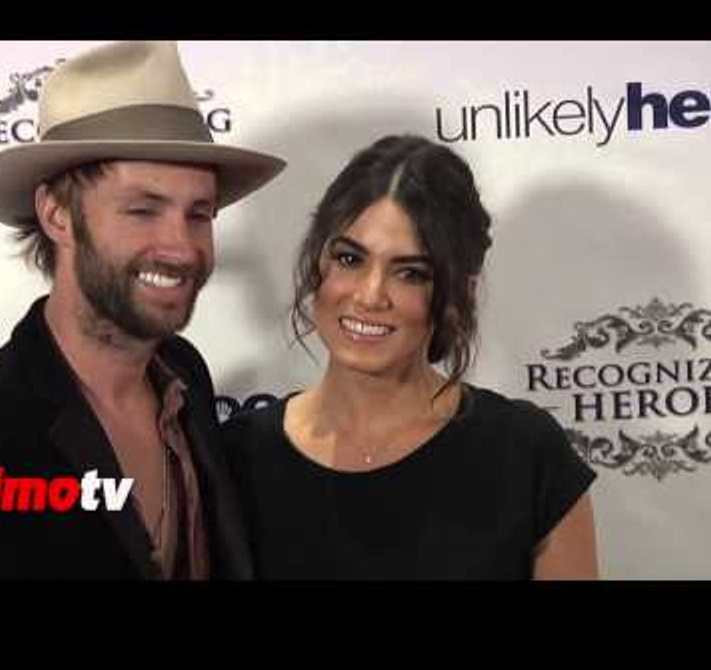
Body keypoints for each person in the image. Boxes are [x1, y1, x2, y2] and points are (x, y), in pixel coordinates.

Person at [0, 41, 285, 579]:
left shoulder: (185, 374)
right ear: (57, 214)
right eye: (143, 209)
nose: (182, 247)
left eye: (198, 214)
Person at [221, 134, 598, 580]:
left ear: (461, 292)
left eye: (410, 273)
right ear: (316, 261)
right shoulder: (234, 458)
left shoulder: (525, 455)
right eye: (349, 258)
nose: (369, 295)